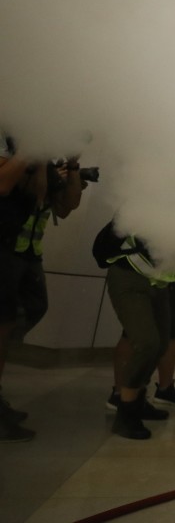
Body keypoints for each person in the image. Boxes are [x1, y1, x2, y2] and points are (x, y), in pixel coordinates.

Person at [1, 138, 84, 442]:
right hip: (7, 248)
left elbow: (67, 206)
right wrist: (39, 159)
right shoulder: (16, 148)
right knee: (4, 322)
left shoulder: (51, 160)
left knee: (33, 310)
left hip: (28, 253)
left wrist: (73, 166)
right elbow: (32, 193)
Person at [94, 224, 175, 440]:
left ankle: (137, 398)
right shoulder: (155, 199)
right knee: (147, 343)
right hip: (130, 276)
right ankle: (126, 412)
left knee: (161, 343)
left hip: (158, 282)